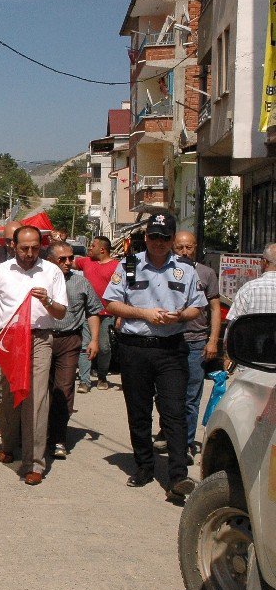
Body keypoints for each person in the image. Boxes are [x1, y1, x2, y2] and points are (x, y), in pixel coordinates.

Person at [103, 213, 205, 500]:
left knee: (174, 411)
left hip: (171, 348)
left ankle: (177, 477)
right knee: (139, 411)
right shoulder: (129, 265)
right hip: (136, 348)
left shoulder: (185, 270)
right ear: (146, 237)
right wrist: (144, 313)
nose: (158, 243)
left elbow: (197, 307)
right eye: (153, 237)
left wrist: (181, 316)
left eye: (165, 238)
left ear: (173, 240)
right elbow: (111, 303)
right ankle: (144, 466)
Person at [0, 225, 67, 485]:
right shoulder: (0, 271)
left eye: (34, 248)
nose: (30, 253)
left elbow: (61, 312)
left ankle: (34, 463)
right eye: (24, 248)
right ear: (13, 246)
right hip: (9, 340)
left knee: (36, 398)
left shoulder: (52, 271)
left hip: (40, 339)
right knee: (8, 394)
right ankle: (8, 443)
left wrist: (47, 302)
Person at [45, 242, 102, 460]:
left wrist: (94, 340)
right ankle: (38, 433)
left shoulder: (80, 281)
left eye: (70, 258)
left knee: (64, 388)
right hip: (43, 339)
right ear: (50, 260)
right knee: (41, 389)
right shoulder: (40, 279)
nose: (69, 262)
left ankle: (59, 437)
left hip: (69, 341)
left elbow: (93, 311)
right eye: (63, 259)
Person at [172, 231, 222, 457]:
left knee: (191, 397)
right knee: (166, 395)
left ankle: (186, 443)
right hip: (169, 340)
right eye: (180, 247)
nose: (184, 251)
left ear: (195, 247)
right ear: (173, 247)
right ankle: (171, 433)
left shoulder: (207, 273)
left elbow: (214, 309)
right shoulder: (166, 271)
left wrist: (213, 341)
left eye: (189, 247)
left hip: (196, 342)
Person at [75, 236, 118, 393]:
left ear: (102, 249)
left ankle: (102, 376)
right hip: (88, 313)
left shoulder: (116, 266)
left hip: (107, 313)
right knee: (85, 345)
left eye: (92, 245)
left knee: (104, 347)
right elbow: (65, 263)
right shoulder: (86, 262)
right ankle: (85, 381)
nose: (89, 248)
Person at [226, 242, 276, 321]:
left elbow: (232, 321)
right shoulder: (248, 288)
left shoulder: (249, 289)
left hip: (255, 333)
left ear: (265, 262)